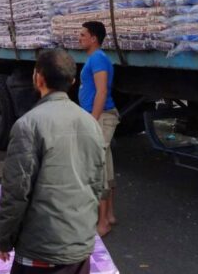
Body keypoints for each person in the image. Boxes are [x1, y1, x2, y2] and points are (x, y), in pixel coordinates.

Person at [0, 49, 105, 274]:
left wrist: (4, 240)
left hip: (40, 250)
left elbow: (15, 193)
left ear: (38, 77)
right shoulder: (91, 123)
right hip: (79, 247)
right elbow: (97, 184)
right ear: (73, 82)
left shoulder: (28, 125)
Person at [79, 21, 120, 237]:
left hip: (101, 118)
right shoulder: (96, 59)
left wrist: (92, 121)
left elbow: (102, 92)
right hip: (101, 117)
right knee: (107, 164)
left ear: (94, 38)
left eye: (83, 34)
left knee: (98, 168)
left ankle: (102, 222)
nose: (80, 38)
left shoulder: (98, 59)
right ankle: (110, 214)